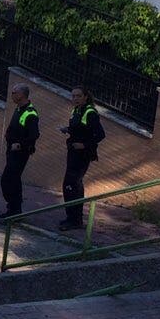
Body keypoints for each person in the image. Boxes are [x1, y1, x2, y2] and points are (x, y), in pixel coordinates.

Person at [59, 86, 105, 230]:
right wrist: (67, 130)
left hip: (82, 154)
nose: (75, 99)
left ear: (85, 97)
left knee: (71, 184)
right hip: (73, 152)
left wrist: (84, 145)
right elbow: (79, 129)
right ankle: (71, 217)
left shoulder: (90, 112)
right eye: (73, 96)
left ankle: (75, 220)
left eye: (78, 96)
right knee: (72, 185)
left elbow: (100, 134)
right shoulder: (75, 111)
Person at [0, 83, 40, 218]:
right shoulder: (18, 109)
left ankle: (15, 210)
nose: (12, 95)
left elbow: (34, 135)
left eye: (14, 92)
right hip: (11, 151)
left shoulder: (30, 113)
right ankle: (13, 208)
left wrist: (20, 145)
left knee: (10, 179)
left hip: (20, 153)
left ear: (22, 95)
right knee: (10, 180)